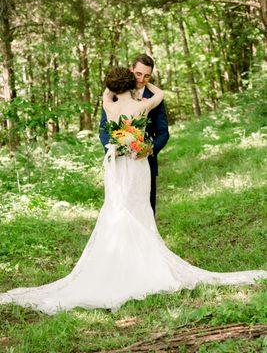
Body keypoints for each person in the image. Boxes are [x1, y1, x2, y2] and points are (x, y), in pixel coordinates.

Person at [0, 67, 266, 316]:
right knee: (139, 208)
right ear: (131, 84)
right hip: (138, 164)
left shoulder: (109, 106)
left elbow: (106, 94)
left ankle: (117, 262)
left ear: (114, 88)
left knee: (116, 208)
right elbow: (159, 95)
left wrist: (114, 88)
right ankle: (143, 264)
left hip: (116, 165)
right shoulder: (141, 106)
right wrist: (145, 83)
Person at [99, 54, 169, 215]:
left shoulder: (109, 99)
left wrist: (149, 149)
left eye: (147, 76)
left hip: (144, 161)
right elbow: (103, 129)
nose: (142, 79)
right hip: (117, 162)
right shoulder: (137, 103)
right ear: (131, 70)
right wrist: (113, 148)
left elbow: (163, 133)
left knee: (145, 210)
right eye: (138, 74)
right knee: (118, 210)